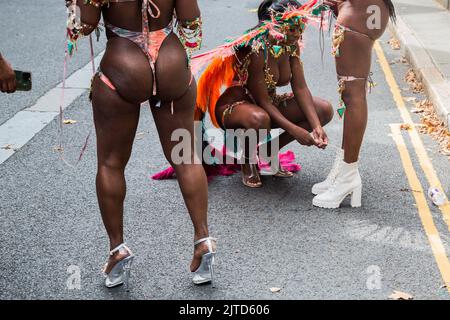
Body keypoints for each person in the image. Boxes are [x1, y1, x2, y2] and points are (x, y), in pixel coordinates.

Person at [68, 0, 216, 289]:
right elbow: (190, 21)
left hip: (122, 64)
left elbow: (81, 27)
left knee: (111, 163)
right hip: (171, 62)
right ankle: (203, 239)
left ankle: (117, 249)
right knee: (186, 159)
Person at [195, 0, 333, 188]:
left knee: (324, 110)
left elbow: (300, 88)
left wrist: (316, 126)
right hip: (236, 108)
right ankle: (248, 160)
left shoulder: (291, 46)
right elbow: (263, 102)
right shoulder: (256, 49)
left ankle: (268, 149)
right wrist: (296, 131)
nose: (297, 34)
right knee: (260, 119)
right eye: (291, 29)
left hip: (266, 104)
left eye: (299, 28)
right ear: (274, 26)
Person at [311, 0, 396, 208]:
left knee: (353, 96)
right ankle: (343, 169)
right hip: (369, 12)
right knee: (352, 95)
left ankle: (348, 174)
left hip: (357, 15)